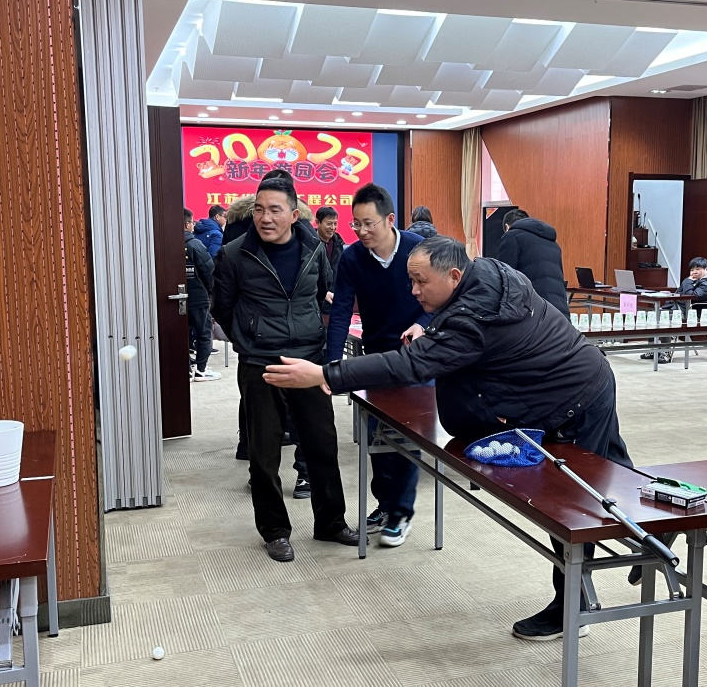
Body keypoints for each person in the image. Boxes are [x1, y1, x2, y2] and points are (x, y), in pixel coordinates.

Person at [264, 236, 632, 639]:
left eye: (421, 282)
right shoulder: (486, 273)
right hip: (578, 380)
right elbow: (452, 330)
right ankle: (644, 536)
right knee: (612, 477)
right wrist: (428, 326)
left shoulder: (474, 320)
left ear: (454, 275)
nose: (414, 290)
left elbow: (410, 366)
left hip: (574, 397)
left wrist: (325, 374)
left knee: (570, 504)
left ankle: (573, 608)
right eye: (411, 280)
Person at [212, 177, 362, 561]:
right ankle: (275, 530)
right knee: (264, 453)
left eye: (275, 210)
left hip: (308, 359)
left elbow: (322, 293)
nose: (265, 217)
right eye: (259, 209)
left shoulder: (314, 249)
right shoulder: (234, 254)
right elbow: (222, 308)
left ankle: (331, 522)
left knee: (322, 445)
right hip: (260, 363)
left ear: (294, 215)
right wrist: (250, 341)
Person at [326, 183, 432, 547]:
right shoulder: (353, 257)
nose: (361, 231)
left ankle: (401, 513)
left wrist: (423, 324)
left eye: (368, 223)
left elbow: (446, 298)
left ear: (389, 219)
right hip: (375, 355)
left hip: (417, 355)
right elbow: (341, 309)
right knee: (376, 435)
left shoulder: (419, 249)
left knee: (407, 434)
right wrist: (333, 362)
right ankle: (385, 505)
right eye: (355, 223)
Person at [643, 256, 707, 363]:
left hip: (694, 314)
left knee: (664, 318)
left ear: (706, 269)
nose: (694, 272)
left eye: (698, 269)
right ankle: (653, 349)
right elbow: (678, 293)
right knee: (651, 315)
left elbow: (691, 296)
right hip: (680, 310)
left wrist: (687, 281)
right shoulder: (693, 281)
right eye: (692, 270)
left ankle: (665, 352)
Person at [496, 213, 569, 317]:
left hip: (534, 308)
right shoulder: (553, 243)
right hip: (559, 308)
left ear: (507, 226)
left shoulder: (512, 236)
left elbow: (505, 276)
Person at [184, 217, 220, 382]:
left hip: (175, 298)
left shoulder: (167, 243)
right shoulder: (195, 244)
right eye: (192, 222)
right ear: (187, 224)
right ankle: (200, 371)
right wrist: (210, 290)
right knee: (204, 333)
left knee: (181, 334)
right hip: (198, 297)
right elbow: (208, 270)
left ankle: (185, 370)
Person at [315, 206, 344, 278]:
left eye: (335, 224)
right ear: (318, 222)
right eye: (329, 224)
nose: (333, 227)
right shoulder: (309, 242)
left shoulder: (338, 244)